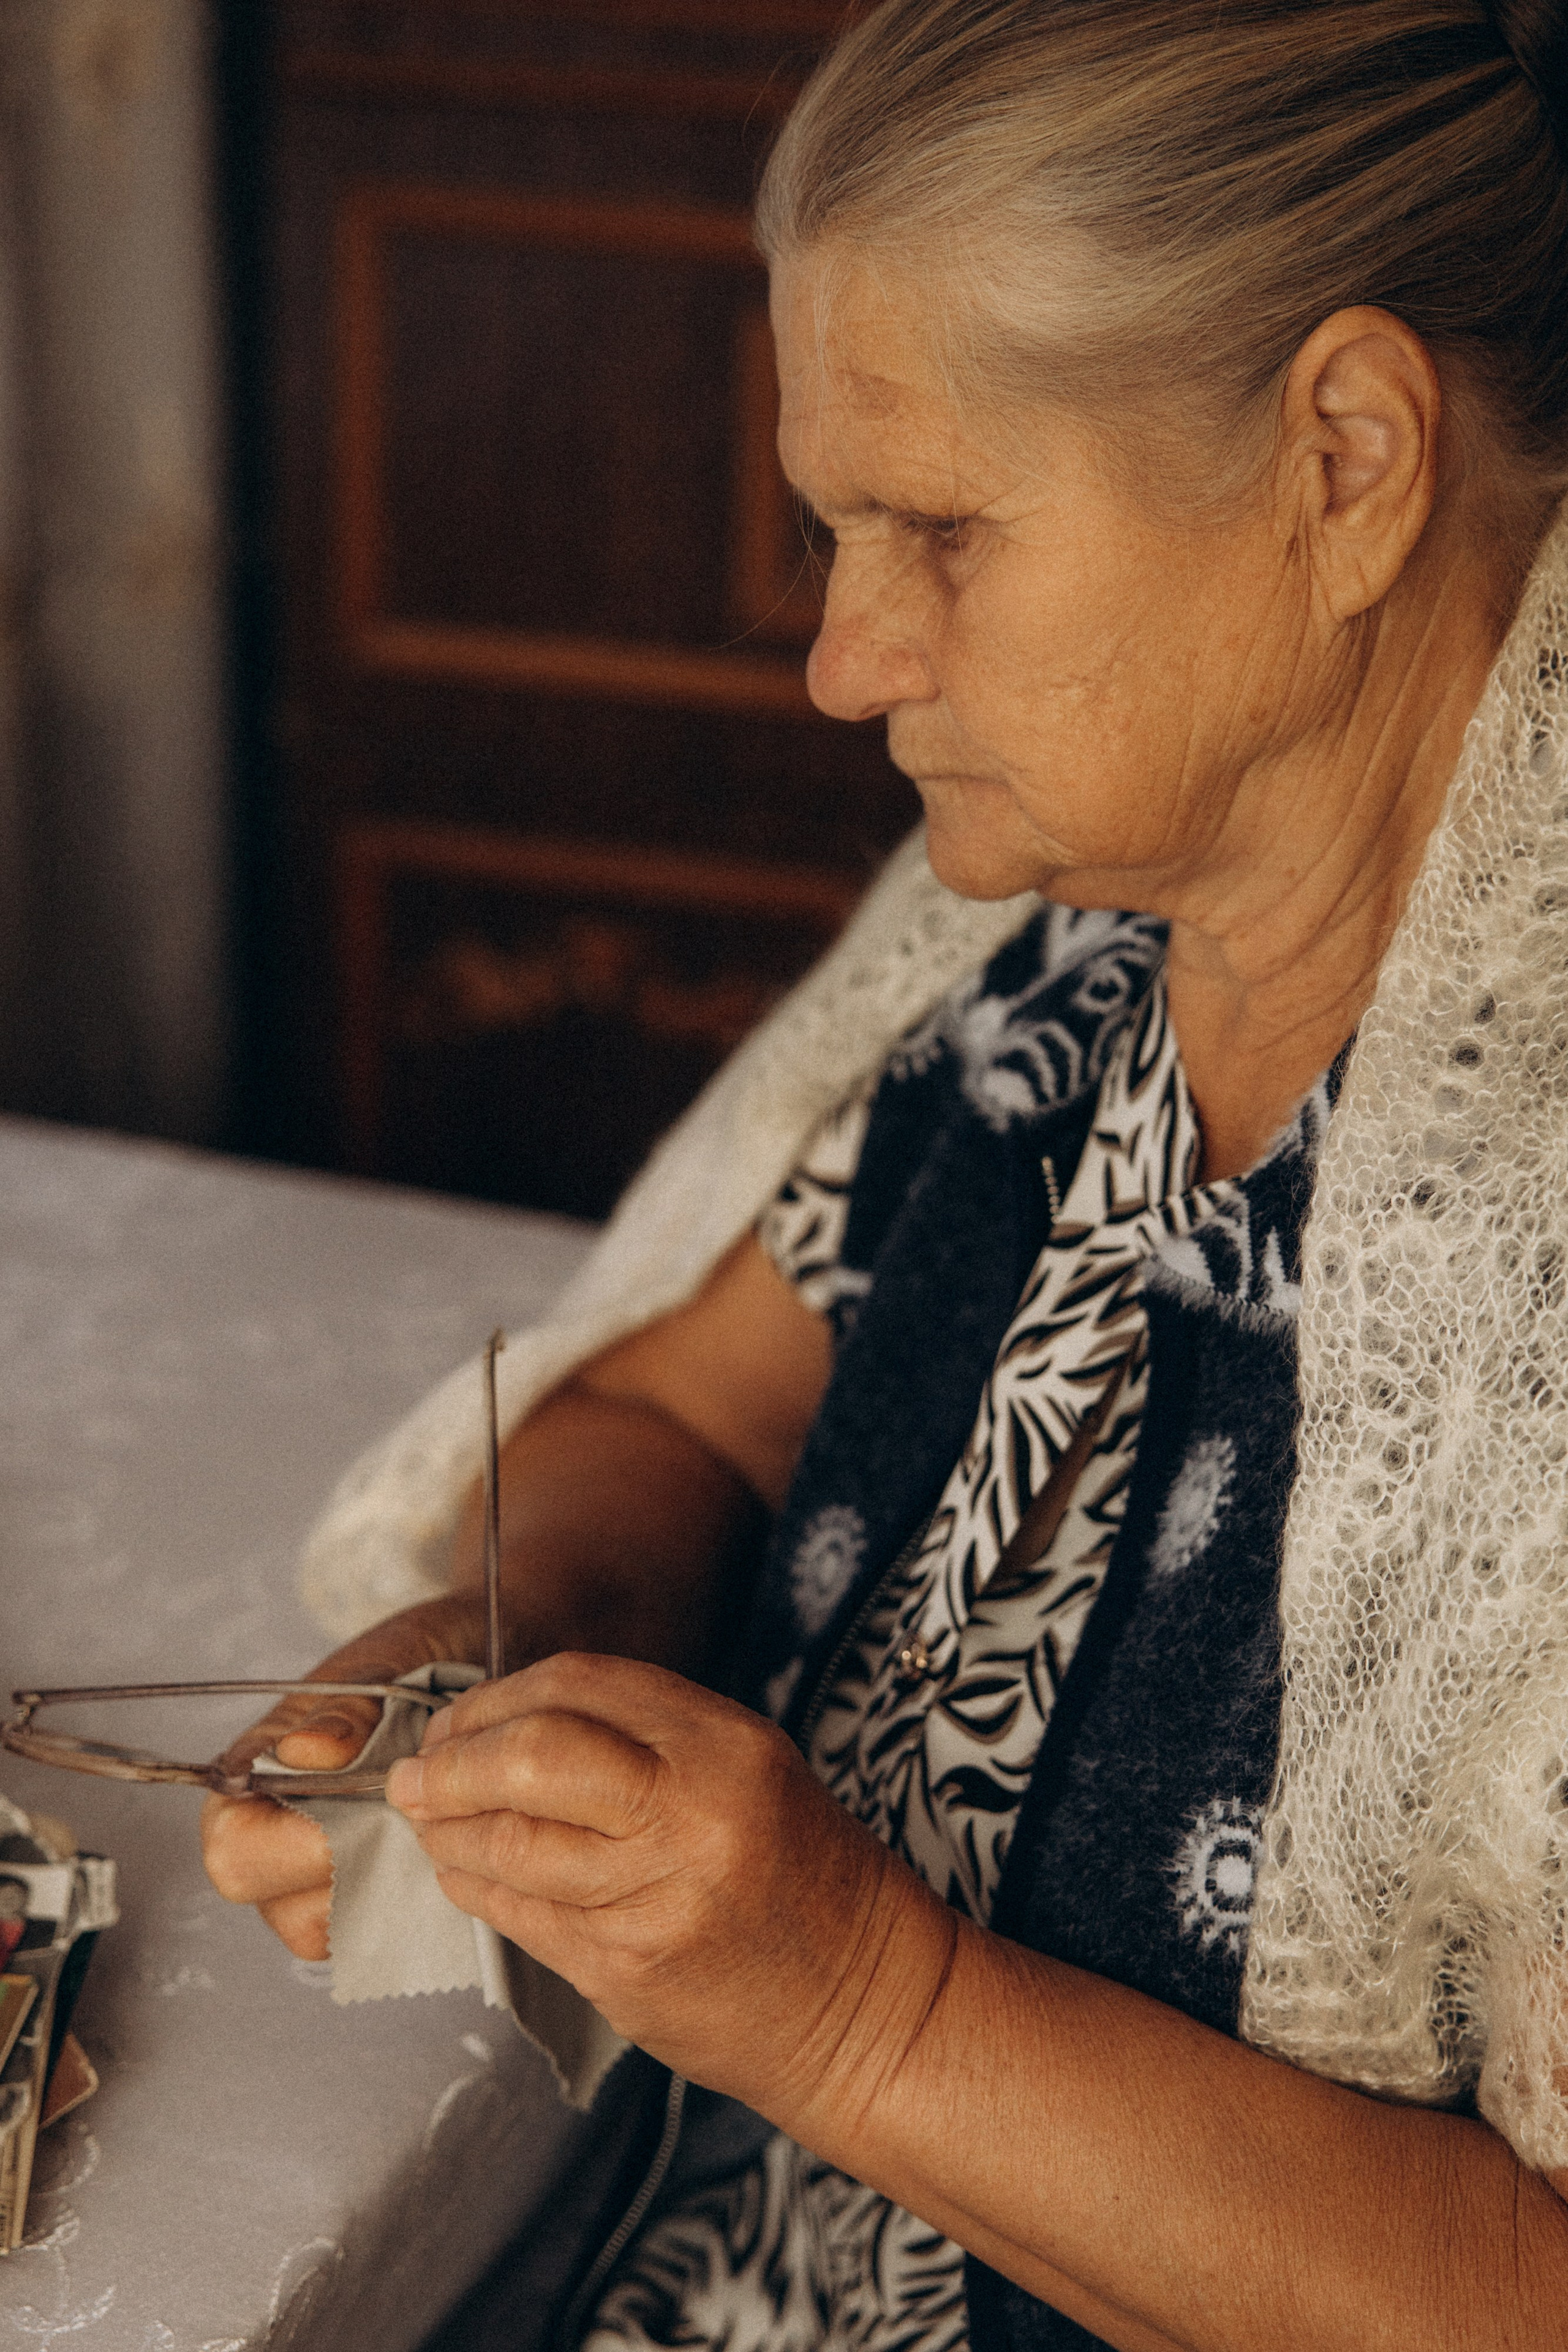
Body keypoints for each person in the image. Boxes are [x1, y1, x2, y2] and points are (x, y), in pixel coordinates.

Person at [203, 2, 1568, 2345]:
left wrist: (853, 2007)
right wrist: (517, 1654)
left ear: (1347, 457)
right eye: (842, 531)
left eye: (936, 528)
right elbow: (692, 1413)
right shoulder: (1057, 962)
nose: (842, 660)